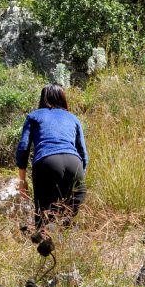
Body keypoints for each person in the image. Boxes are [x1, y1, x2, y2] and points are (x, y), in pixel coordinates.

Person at [15, 84, 88, 230]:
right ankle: (67, 249)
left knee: (45, 219)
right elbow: (83, 154)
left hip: (47, 163)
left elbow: (23, 148)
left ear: (43, 98)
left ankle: (46, 246)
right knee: (68, 219)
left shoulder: (34, 116)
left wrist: (22, 181)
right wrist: (78, 178)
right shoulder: (73, 118)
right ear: (63, 98)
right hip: (75, 164)